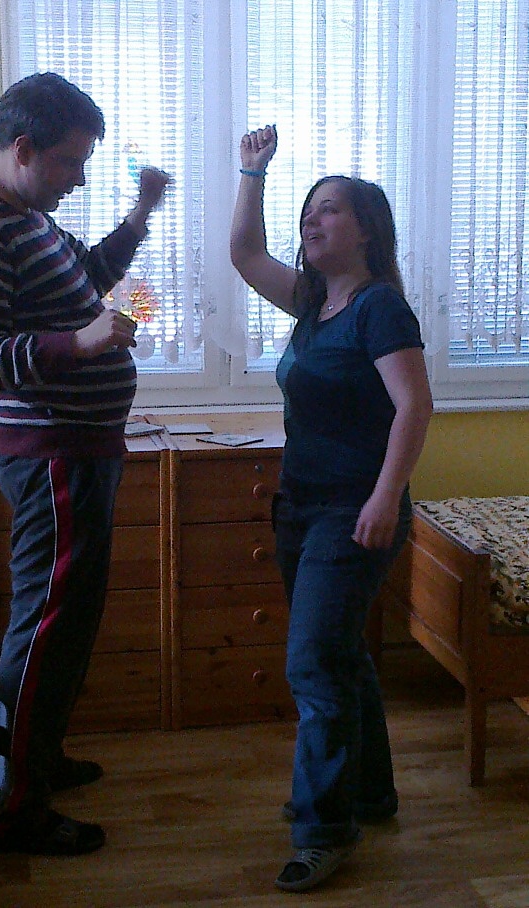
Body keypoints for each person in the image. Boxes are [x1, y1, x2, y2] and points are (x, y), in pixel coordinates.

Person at [0, 72, 170, 855]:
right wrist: (82, 342)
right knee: (43, 628)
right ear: (23, 147)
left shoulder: (25, 215)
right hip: (51, 460)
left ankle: (37, 759)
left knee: (66, 623)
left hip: (80, 451)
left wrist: (139, 215)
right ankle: (12, 811)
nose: (78, 179)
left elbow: (88, 277)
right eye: (70, 162)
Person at [230, 125, 433, 893]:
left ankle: (323, 830)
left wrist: (384, 496)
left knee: (312, 662)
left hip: (353, 511)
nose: (311, 219)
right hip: (299, 507)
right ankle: (371, 794)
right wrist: (252, 173)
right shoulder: (314, 303)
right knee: (340, 654)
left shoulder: (378, 308)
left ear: (366, 229)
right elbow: (245, 254)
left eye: (329, 209)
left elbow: (413, 405)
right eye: (308, 210)